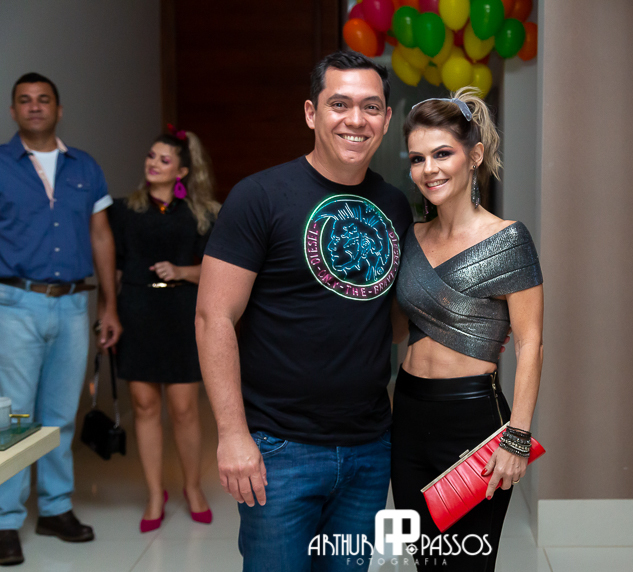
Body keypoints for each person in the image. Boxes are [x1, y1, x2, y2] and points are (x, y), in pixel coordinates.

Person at [195, 51, 412, 571]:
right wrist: (232, 435)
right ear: (311, 113)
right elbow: (213, 318)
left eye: (370, 107)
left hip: (368, 447)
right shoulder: (259, 196)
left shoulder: (396, 205)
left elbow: (394, 322)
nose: (356, 120)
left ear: (386, 119)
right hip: (279, 447)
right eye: (339, 104)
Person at [392, 88, 544, 572]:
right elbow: (397, 329)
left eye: (442, 154)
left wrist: (517, 438)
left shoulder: (509, 239)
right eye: (418, 159)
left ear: (474, 156)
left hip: (472, 423)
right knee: (425, 561)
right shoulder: (410, 236)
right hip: (407, 415)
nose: (428, 169)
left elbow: (530, 343)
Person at [0, 73, 122, 566]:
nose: (35, 107)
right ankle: (5, 520)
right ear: (13, 111)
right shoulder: (1, 165)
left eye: (43, 99)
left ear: (58, 109)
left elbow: (101, 236)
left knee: (59, 414)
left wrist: (109, 305)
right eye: (24, 100)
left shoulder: (85, 167)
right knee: (14, 416)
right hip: (16, 304)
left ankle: (54, 508)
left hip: (74, 305)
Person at [107, 128, 219, 533]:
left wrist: (182, 271)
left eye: (164, 159)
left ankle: (192, 487)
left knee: (185, 409)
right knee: (144, 406)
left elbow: (220, 271)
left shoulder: (204, 213)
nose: (153, 163)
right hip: (137, 311)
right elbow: (113, 268)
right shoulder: (123, 210)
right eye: (151, 156)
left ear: (182, 171)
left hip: (181, 313)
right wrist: (107, 312)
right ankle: (155, 494)